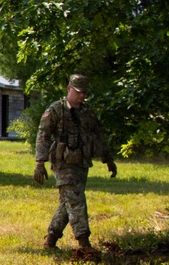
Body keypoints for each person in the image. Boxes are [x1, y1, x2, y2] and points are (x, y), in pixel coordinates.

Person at [34, 74, 117, 251]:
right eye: (79, 92)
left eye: (85, 93)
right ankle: (84, 243)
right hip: (63, 164)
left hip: (82, 163)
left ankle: (50, 241)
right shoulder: (56, 110)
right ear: (69, 89)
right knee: (76, 200)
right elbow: (43, 136)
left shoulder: (87, 113)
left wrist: (108, 159)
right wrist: (40, 163)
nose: (82, 96)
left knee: (68, 202)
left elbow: (98, 136)